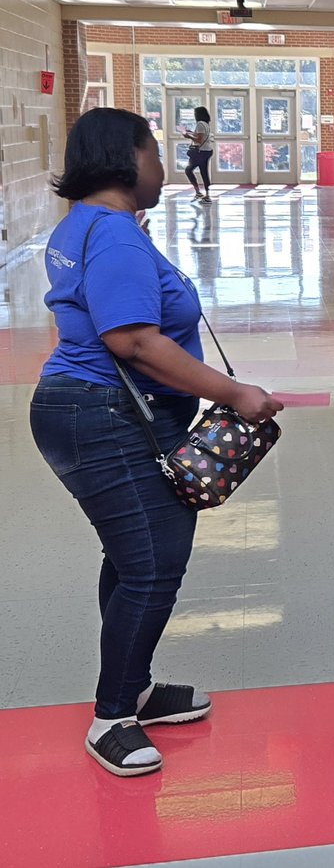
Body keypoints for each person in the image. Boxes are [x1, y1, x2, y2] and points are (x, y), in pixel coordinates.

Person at [29, 108, 283, 776]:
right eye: (155, 151)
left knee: (132, 553)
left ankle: (135, 686)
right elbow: (133, 340)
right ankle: (112, 715)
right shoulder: (112, 236)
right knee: (151, 565)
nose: (163, 166)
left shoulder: (84, 226)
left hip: (96, 409)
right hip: (106, 413)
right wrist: (236, 393)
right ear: (128, 158)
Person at [182, 106, 213, 203]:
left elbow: (199, 140)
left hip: (200, 152)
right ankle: (207, 194)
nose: (194, 115)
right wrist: (191, 133)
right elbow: (201, 136)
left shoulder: (200, 124)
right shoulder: (206, 124)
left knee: (188, 170)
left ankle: (198, 191)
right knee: (204, 172)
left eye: (195, 113)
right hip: (207, 151)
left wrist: (188, 136)